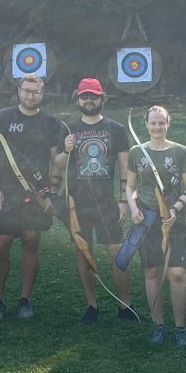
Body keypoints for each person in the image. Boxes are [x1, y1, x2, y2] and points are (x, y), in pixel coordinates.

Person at [0, 73, 68, 322]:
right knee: (1, 244)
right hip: (6, 193)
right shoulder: (2, 117)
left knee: (31, 241)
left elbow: (56, 162)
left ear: (42, 93)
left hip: (36, 194)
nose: (31, 95)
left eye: (36, 91)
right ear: (19, 91)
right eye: (27, 90)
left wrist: (51, 192)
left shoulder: (51, 123)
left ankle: (25, 299)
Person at [63, 78, 134, 323]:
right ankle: (91, 305)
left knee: (117, 251)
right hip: (77, 202)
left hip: (107, 202)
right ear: (78, 99)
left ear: (102, 98)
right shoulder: (68, 129)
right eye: (85, 96)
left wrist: (123, 199)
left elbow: (126, 165)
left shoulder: (116, 128)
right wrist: (65, 149)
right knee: (84, 252)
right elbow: (58, 166)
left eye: (94, 96)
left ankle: (125, 304)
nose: (89, 100)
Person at [126, 106, 186, 346]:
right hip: (147, 220)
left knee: (176, 274)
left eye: (161, 123)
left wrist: (175, 209)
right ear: (145, 124)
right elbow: (130, 186)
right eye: (153, 123)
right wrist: (134, 208)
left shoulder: (180, 152)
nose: (157, 127)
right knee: (152, 272)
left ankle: (180, 328)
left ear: (169, 123)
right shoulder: (137, 152)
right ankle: (158, 325)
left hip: (173, 221)